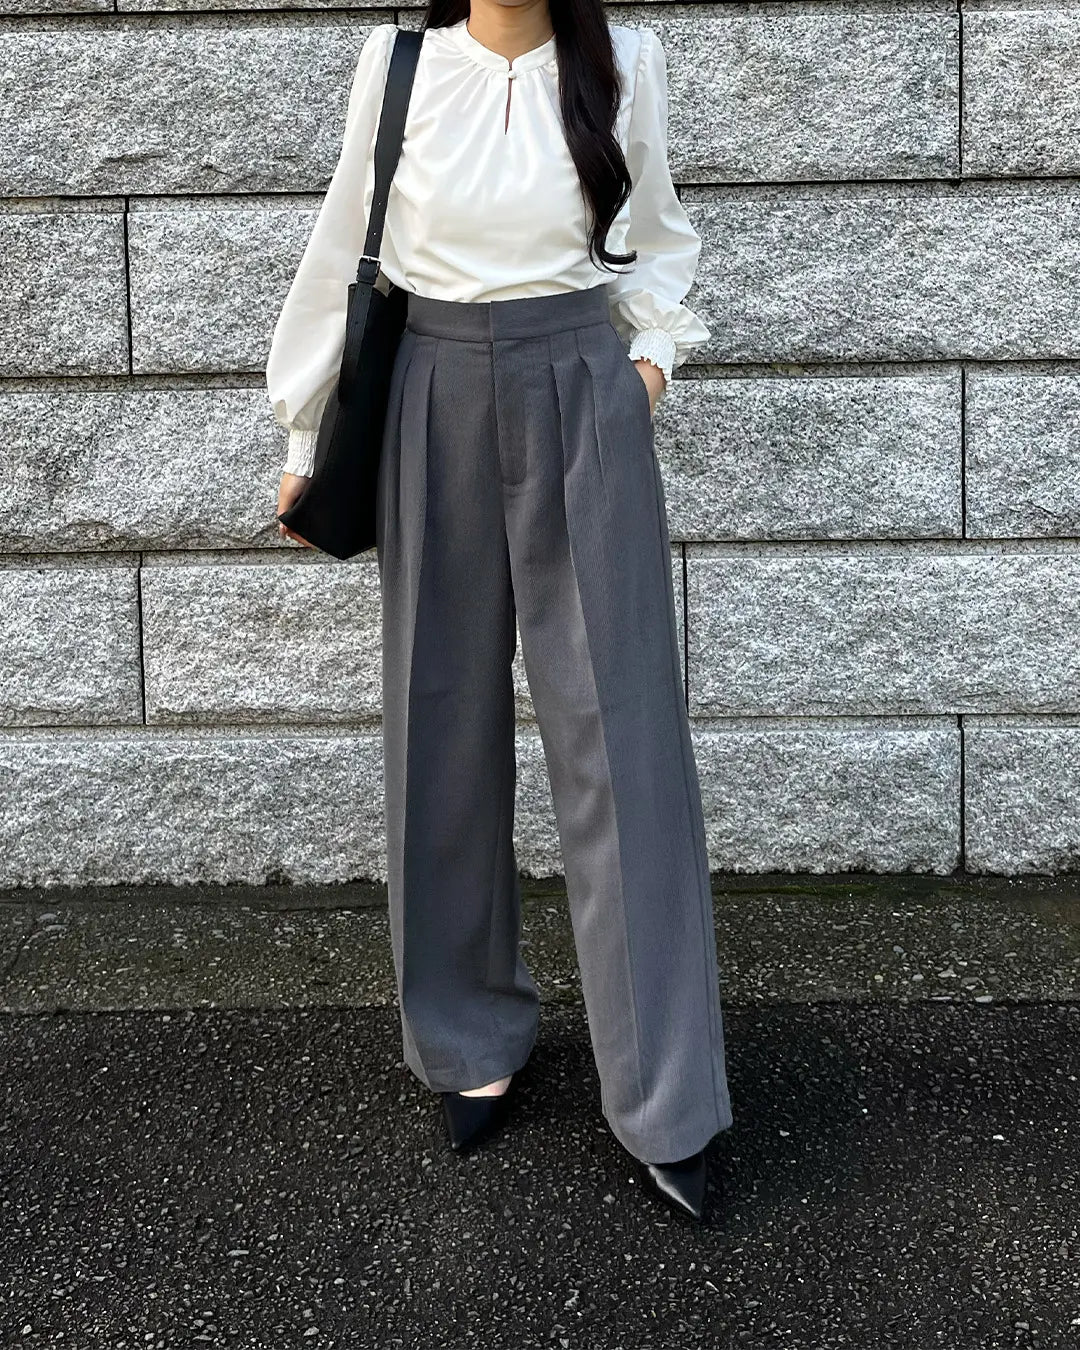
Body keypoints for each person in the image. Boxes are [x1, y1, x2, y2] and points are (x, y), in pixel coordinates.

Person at [265, 0, 732, 1222]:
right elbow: (344, 237)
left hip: (580, 383)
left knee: (622, 736)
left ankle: (667, 1095)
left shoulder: (624, 60)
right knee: (441, 718)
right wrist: (306, 430)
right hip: (428, 386)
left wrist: (646, 367)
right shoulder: (399, 63)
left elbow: (658, 233)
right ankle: (467, 1035)